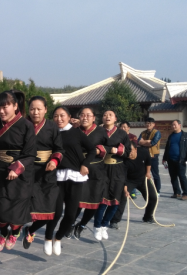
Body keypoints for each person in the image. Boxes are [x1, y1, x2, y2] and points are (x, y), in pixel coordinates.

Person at [26, 106, 96, 255]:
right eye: (56, 116)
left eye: (62, 115)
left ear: (69, 117)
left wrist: (85, 164)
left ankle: (58, 238)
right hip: (55, 176)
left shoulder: (76, 132)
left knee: (71, 214)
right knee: (55, 212)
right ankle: (47, 237)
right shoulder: (50, 132)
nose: (59, 119)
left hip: (75, 176)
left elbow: (92, 150)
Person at [0, 90, 36, 251]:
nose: (1, 111)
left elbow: (30, 154)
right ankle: (3, 232)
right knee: (1, 208)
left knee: (17, 210)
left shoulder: (26, 125)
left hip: (21, 175)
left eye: (5, 107)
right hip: (0, 170)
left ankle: (15, 232)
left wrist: (17, 168)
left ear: (15, 106)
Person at [23, 96, 64, 254]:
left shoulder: (52, 127)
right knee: (28, 207)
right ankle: (12, 232)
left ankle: (31, 230)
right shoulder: (23, 125)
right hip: (27, 172)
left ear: (45, 110)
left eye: (39, 109)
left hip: (47, 173)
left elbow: (59, 149)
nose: (35, 112)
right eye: (32, 109)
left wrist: (54, 160)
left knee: (51, 210)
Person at [92, 110, 131, 241]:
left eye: (110, 115)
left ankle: (104, 225)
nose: (107, 117)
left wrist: (119, 151)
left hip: (118, 169)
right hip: (102, 168)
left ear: (115, 119)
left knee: (115, 202)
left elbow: (128, 151)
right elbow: (91, 148)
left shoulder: (122, 134)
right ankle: (97, 226)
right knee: (102, 201)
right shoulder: (97, 131)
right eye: (104, 115)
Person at [71, 107, 108, 239]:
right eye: (82, 115)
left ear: (93, 118)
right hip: (78, 170)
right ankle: (70, 224)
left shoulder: (101, 131)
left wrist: (101, 149)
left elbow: (111, 146)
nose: (85, 117)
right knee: (77, 202)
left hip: (96, 171)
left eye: (88, 115)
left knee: (93, 202)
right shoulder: (74, 131)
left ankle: (81, 225)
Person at [110, 142, 158, 228]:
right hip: (129, 181)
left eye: (130, 150)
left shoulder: (143, 151)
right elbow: (123, 177)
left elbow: (148, 161)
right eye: (127, 151)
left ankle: (147, 217)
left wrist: (148, 173)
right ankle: (114, 220)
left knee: (153, 197)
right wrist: (125, 190)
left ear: (136, 149)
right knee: (123, 197)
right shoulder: (124, 160)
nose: (129, 153)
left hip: (143, 179)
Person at [162, 119, 187, 200]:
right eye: (172, 125)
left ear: (179, 125)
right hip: (170, 160)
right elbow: (167, 148)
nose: (173, 126)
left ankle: (185, 194)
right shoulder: (171, 136)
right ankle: (177, 192)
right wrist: (164, 158)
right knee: (173, 177)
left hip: (181, 160)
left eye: (174, 124)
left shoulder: (186, 136)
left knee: (182, 176)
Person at [138, 117, 162, 192]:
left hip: (153, 155)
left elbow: (153, 143)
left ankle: (157, 190)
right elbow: (138, 142)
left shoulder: (157, 132)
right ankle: (144, 188)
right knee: (143, 173)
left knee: (155, 174)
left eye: (150, 123)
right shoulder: (143, 133)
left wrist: (144, 142)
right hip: (144, 155)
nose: (148, 125)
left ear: (154, 124)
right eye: (147, 123)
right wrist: (148, 141)